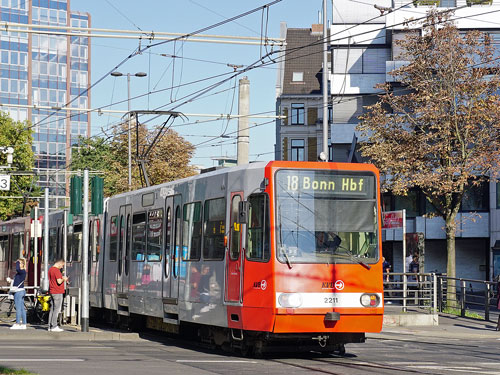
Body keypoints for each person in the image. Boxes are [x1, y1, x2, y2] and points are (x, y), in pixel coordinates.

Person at [48, 258, 68, 332]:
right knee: (56, 309)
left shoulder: (50, 270)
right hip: (57, 291)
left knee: (52, 309)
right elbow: (59, 281)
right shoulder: (56, 270)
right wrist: (64, 279)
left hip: (52, 291)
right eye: (62, 265)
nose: (62, 267)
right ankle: (54, 326)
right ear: (59, 263)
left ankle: (50, 326)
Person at [10, 258, 27, 330]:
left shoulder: (22, 271)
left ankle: (17, 323)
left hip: (19, 292)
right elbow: (17, 281)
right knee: (22, 308)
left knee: (18, 308)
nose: (17, 264)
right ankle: (24, 324)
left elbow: (17, 269)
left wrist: (17, 262)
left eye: (19, 263)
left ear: (22, 264)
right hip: (21, 291)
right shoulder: (21, 272)